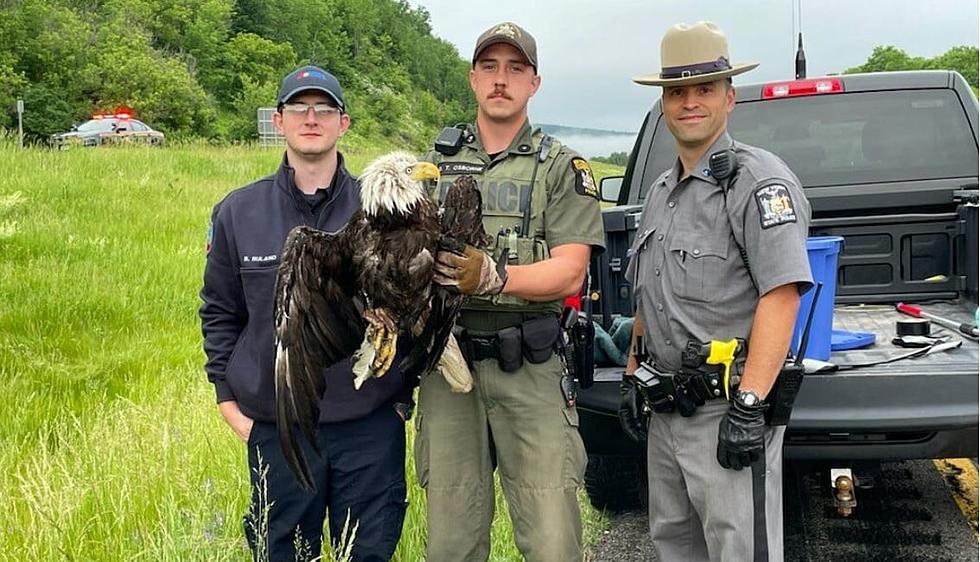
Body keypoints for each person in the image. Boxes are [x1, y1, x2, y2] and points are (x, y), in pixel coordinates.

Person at [199, 65, 415, 562]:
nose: (311, 118)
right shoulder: (238, 212)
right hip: (278, 429)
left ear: (345, 123)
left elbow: (416, 307)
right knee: (283, 554)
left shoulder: (383, 211)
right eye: (299, 107)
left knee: (367, 554)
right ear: (279, 120)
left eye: (324, 109)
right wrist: (228, 401)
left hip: (368, 427)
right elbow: (219, 312)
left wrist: (402, 397)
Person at [619, 22, 813, 562]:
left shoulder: (758, 183)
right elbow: (649, 296)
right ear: (662, 104)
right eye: (676, 92)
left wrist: (750, 405)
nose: (689, 103)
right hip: (666, 412)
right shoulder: (660, 194)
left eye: (704, 88)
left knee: (740, 552)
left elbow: (782, 294)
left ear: (729, 97)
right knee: (674, 547)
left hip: (724, 411)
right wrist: (634, 376)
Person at [414, 21, 605, 562]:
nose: (502, 80)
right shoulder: (431, 166)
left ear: (534, 83)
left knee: (552, 541)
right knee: (452, 542)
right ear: (474, 79)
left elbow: (570, 271)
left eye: (515, 69)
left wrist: (497, 277)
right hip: (448, 367)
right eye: (491, 67)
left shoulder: (562, 167)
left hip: (532, 366)